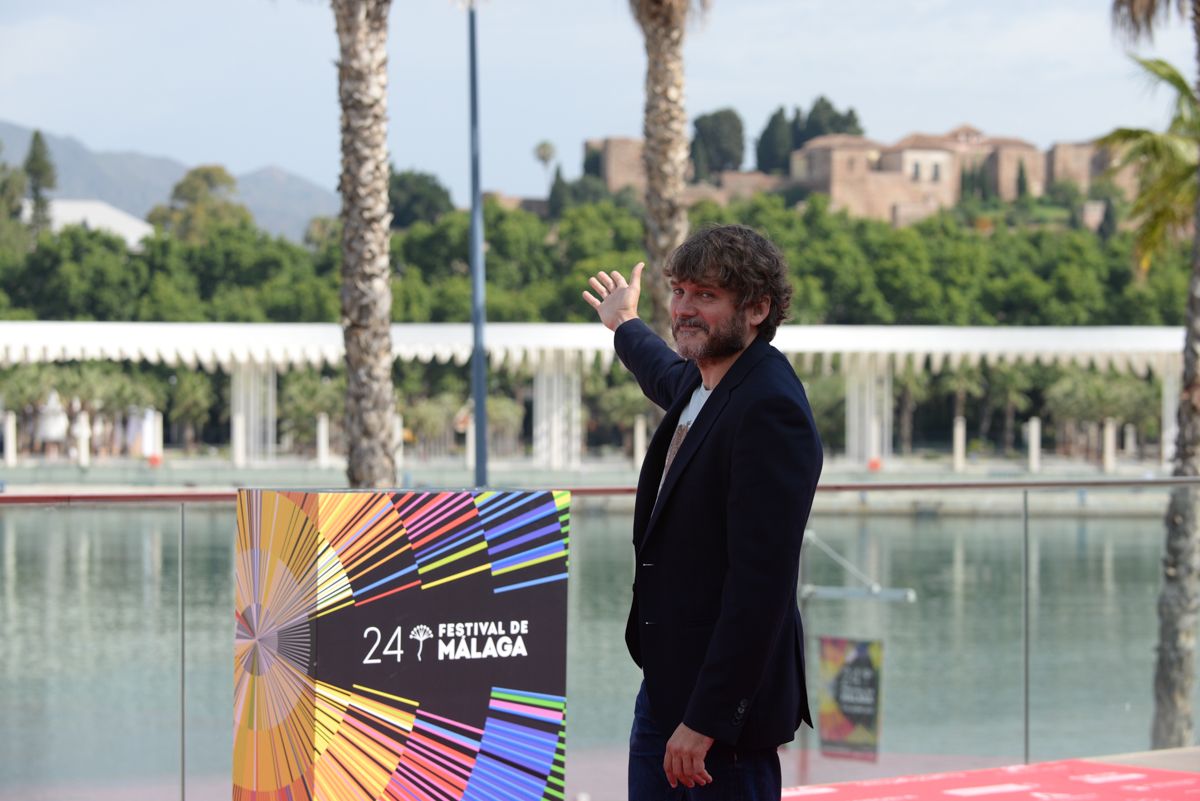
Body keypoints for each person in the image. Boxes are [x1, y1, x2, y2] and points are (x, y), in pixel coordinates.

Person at [582, 224, 823, 800]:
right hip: (666, 692)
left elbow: (759, 588)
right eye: (680, 291)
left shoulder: (769, 409)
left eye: (706, 296)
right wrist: (624, 323)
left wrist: (708, 720)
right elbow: (661, 370)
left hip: (720, 728)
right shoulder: (706, 379)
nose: (685, 310)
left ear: (758, 308)